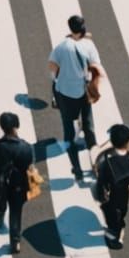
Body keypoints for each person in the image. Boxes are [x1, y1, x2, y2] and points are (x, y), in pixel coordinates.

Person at [48, 14, 105, 182]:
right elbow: (95, 66)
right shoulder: (89, 45)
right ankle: (94, 160)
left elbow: (52, 66)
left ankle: (76, 166)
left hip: (65, 91)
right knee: (88, 124)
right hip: (83, 89)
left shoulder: (62, 46)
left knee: (68, 123)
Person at [0, 112, 35, 254]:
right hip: (19, 185)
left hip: (1, 184)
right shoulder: (25, 147)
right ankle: (15, 241)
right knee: (16, 212)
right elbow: (28, 166)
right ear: (16, 126)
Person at [92, 124, 129, 249]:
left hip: (109, 193)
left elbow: (100, 176)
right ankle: (117, 229)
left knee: (111, 214)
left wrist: (100, 194)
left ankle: (116, 237)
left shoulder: (105, 157)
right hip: (122, 195)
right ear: (127, 143)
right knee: (119, 213)